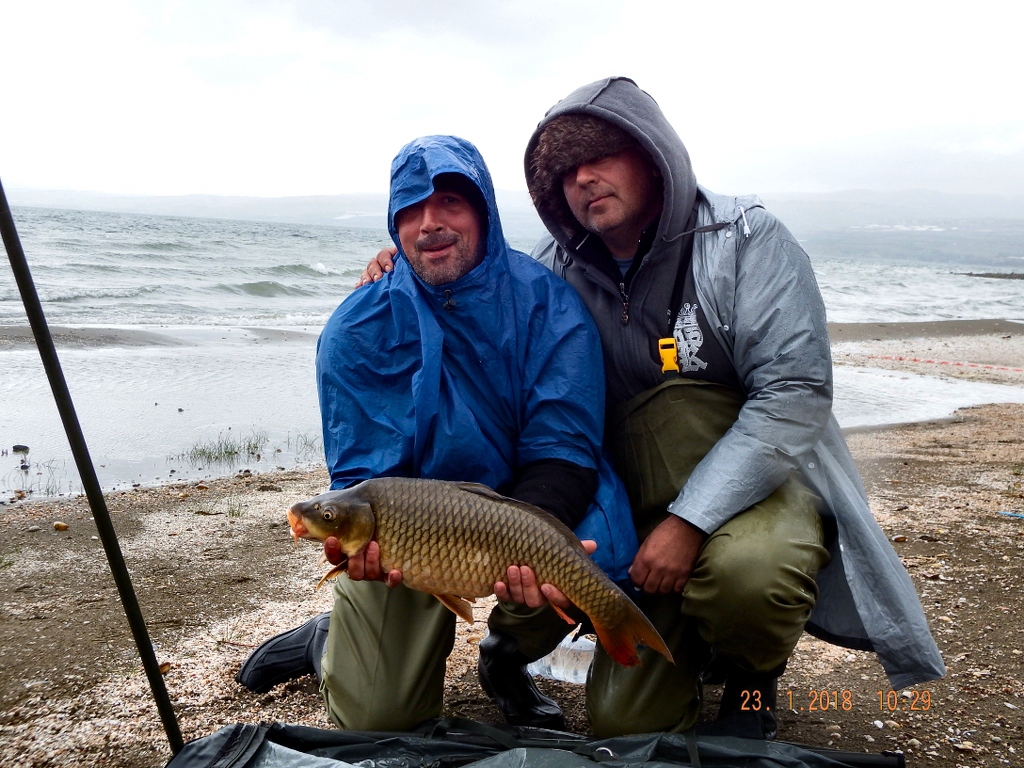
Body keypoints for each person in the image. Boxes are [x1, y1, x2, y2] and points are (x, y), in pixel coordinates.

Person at [357, 77, 945, 739]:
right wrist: (400, 274)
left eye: (601, 155)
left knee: (750, 580)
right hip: (629, 502)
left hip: (759, 494)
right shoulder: (552, 272)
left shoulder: (747, 240)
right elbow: (480, 298)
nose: (585, 178)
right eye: (567, 171)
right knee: (621, 721)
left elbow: (793, 398)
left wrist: (690, 522)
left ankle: (751, 681)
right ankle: (508, 653)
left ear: (654, 153)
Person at [236, 134, 638, 732]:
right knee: (378, 721)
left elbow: (564, 449)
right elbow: (359, 480)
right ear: (394, 226)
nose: (430, 223)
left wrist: (519, 542)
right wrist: (360, 556)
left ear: (484, 211)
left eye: (450, 201)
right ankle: (332, 641)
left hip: (523, 503)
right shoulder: (355, 328)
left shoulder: (548, 303)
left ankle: (507, 655)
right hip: (412, 526)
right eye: (411, 211)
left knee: (590, 551)